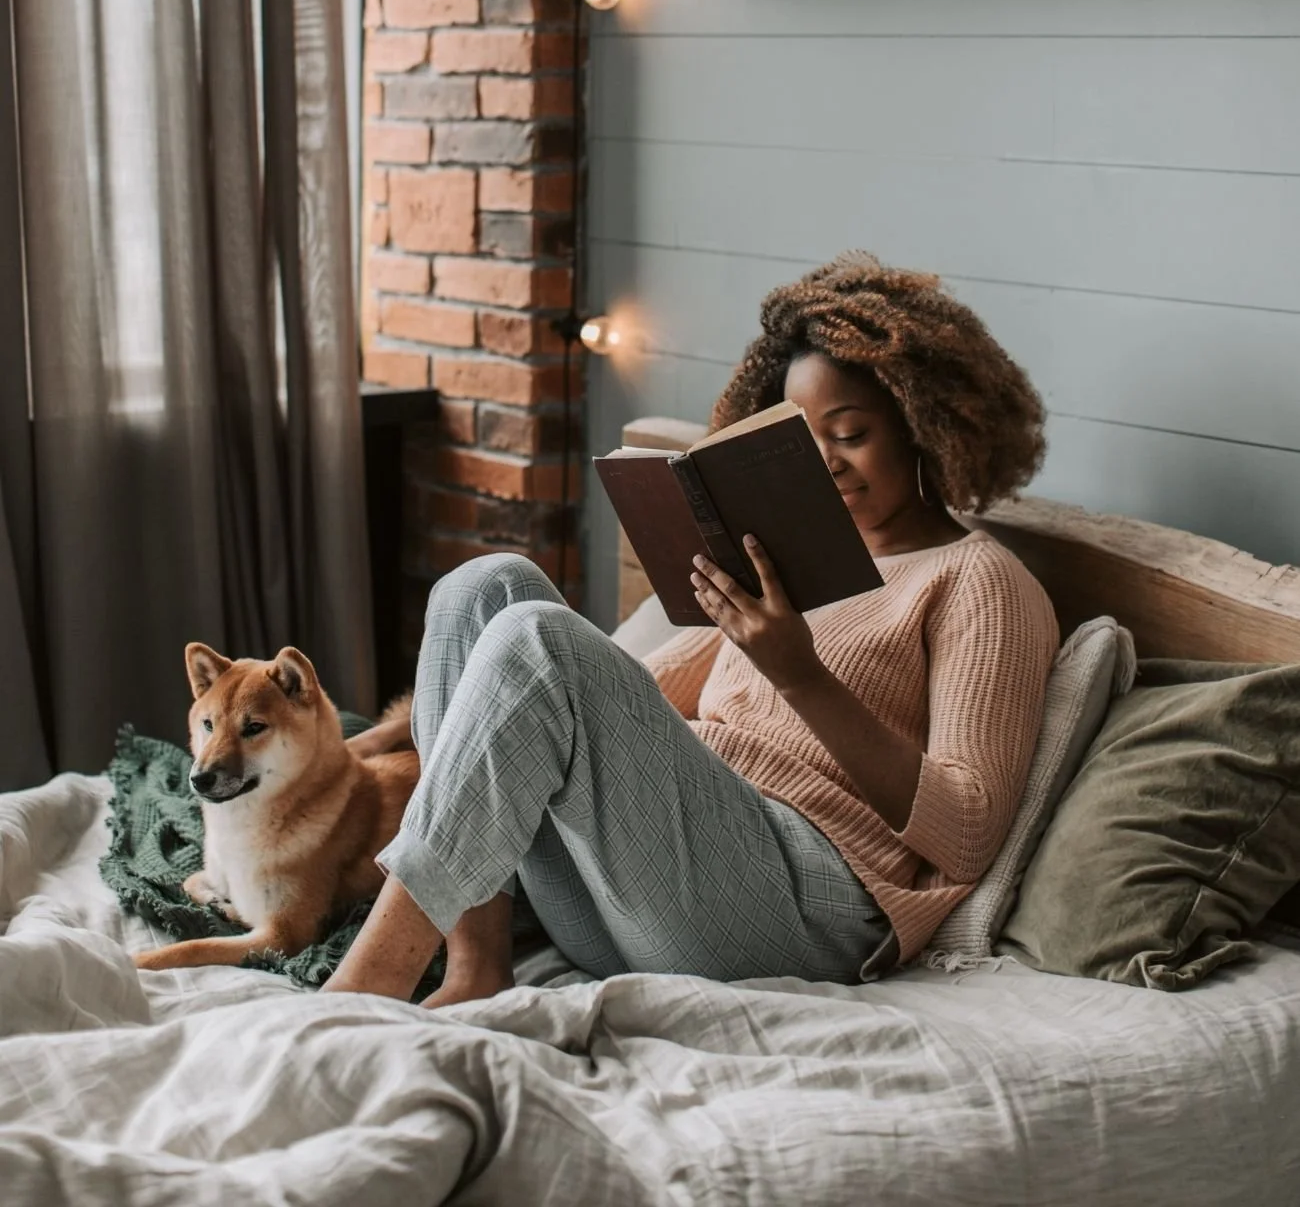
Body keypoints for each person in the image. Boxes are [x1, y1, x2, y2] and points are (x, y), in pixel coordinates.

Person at [325, 252, 1057, 1007]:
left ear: (922, 425)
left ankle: (368, 984)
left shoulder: (981, 582)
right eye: (805, 440)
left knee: (540, 638)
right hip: (648, 896)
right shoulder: (792, 556)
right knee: (487, 587)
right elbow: (614, 698)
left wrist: (798, 675)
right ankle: (477, 964)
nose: (829, 464)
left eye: (852, 433)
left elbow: (968, 834)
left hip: (797, 911)